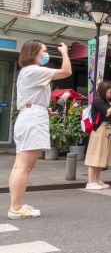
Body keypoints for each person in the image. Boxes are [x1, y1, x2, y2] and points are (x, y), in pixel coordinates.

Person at [8, 41, 71, 219]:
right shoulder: (34, 70)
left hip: (29, 115)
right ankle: (16, 208)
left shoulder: (27, 72)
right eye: (44, 51)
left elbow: (33, 98)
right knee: (24, 167)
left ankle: (16, 205)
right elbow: (66, 71)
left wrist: (44, 109)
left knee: (19, 166)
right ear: (35, 53)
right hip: (32, 119)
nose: (46, 54)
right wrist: (65, 53)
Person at [85, 81, 111, 190]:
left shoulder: (105, 101)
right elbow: (106, 113)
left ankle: (97, 180)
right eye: (110, 90)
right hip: (99, 129)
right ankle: (90, 182)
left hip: (106, 129)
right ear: (104, 90)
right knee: (95, 155)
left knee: (102, 156)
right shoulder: (97, 100)